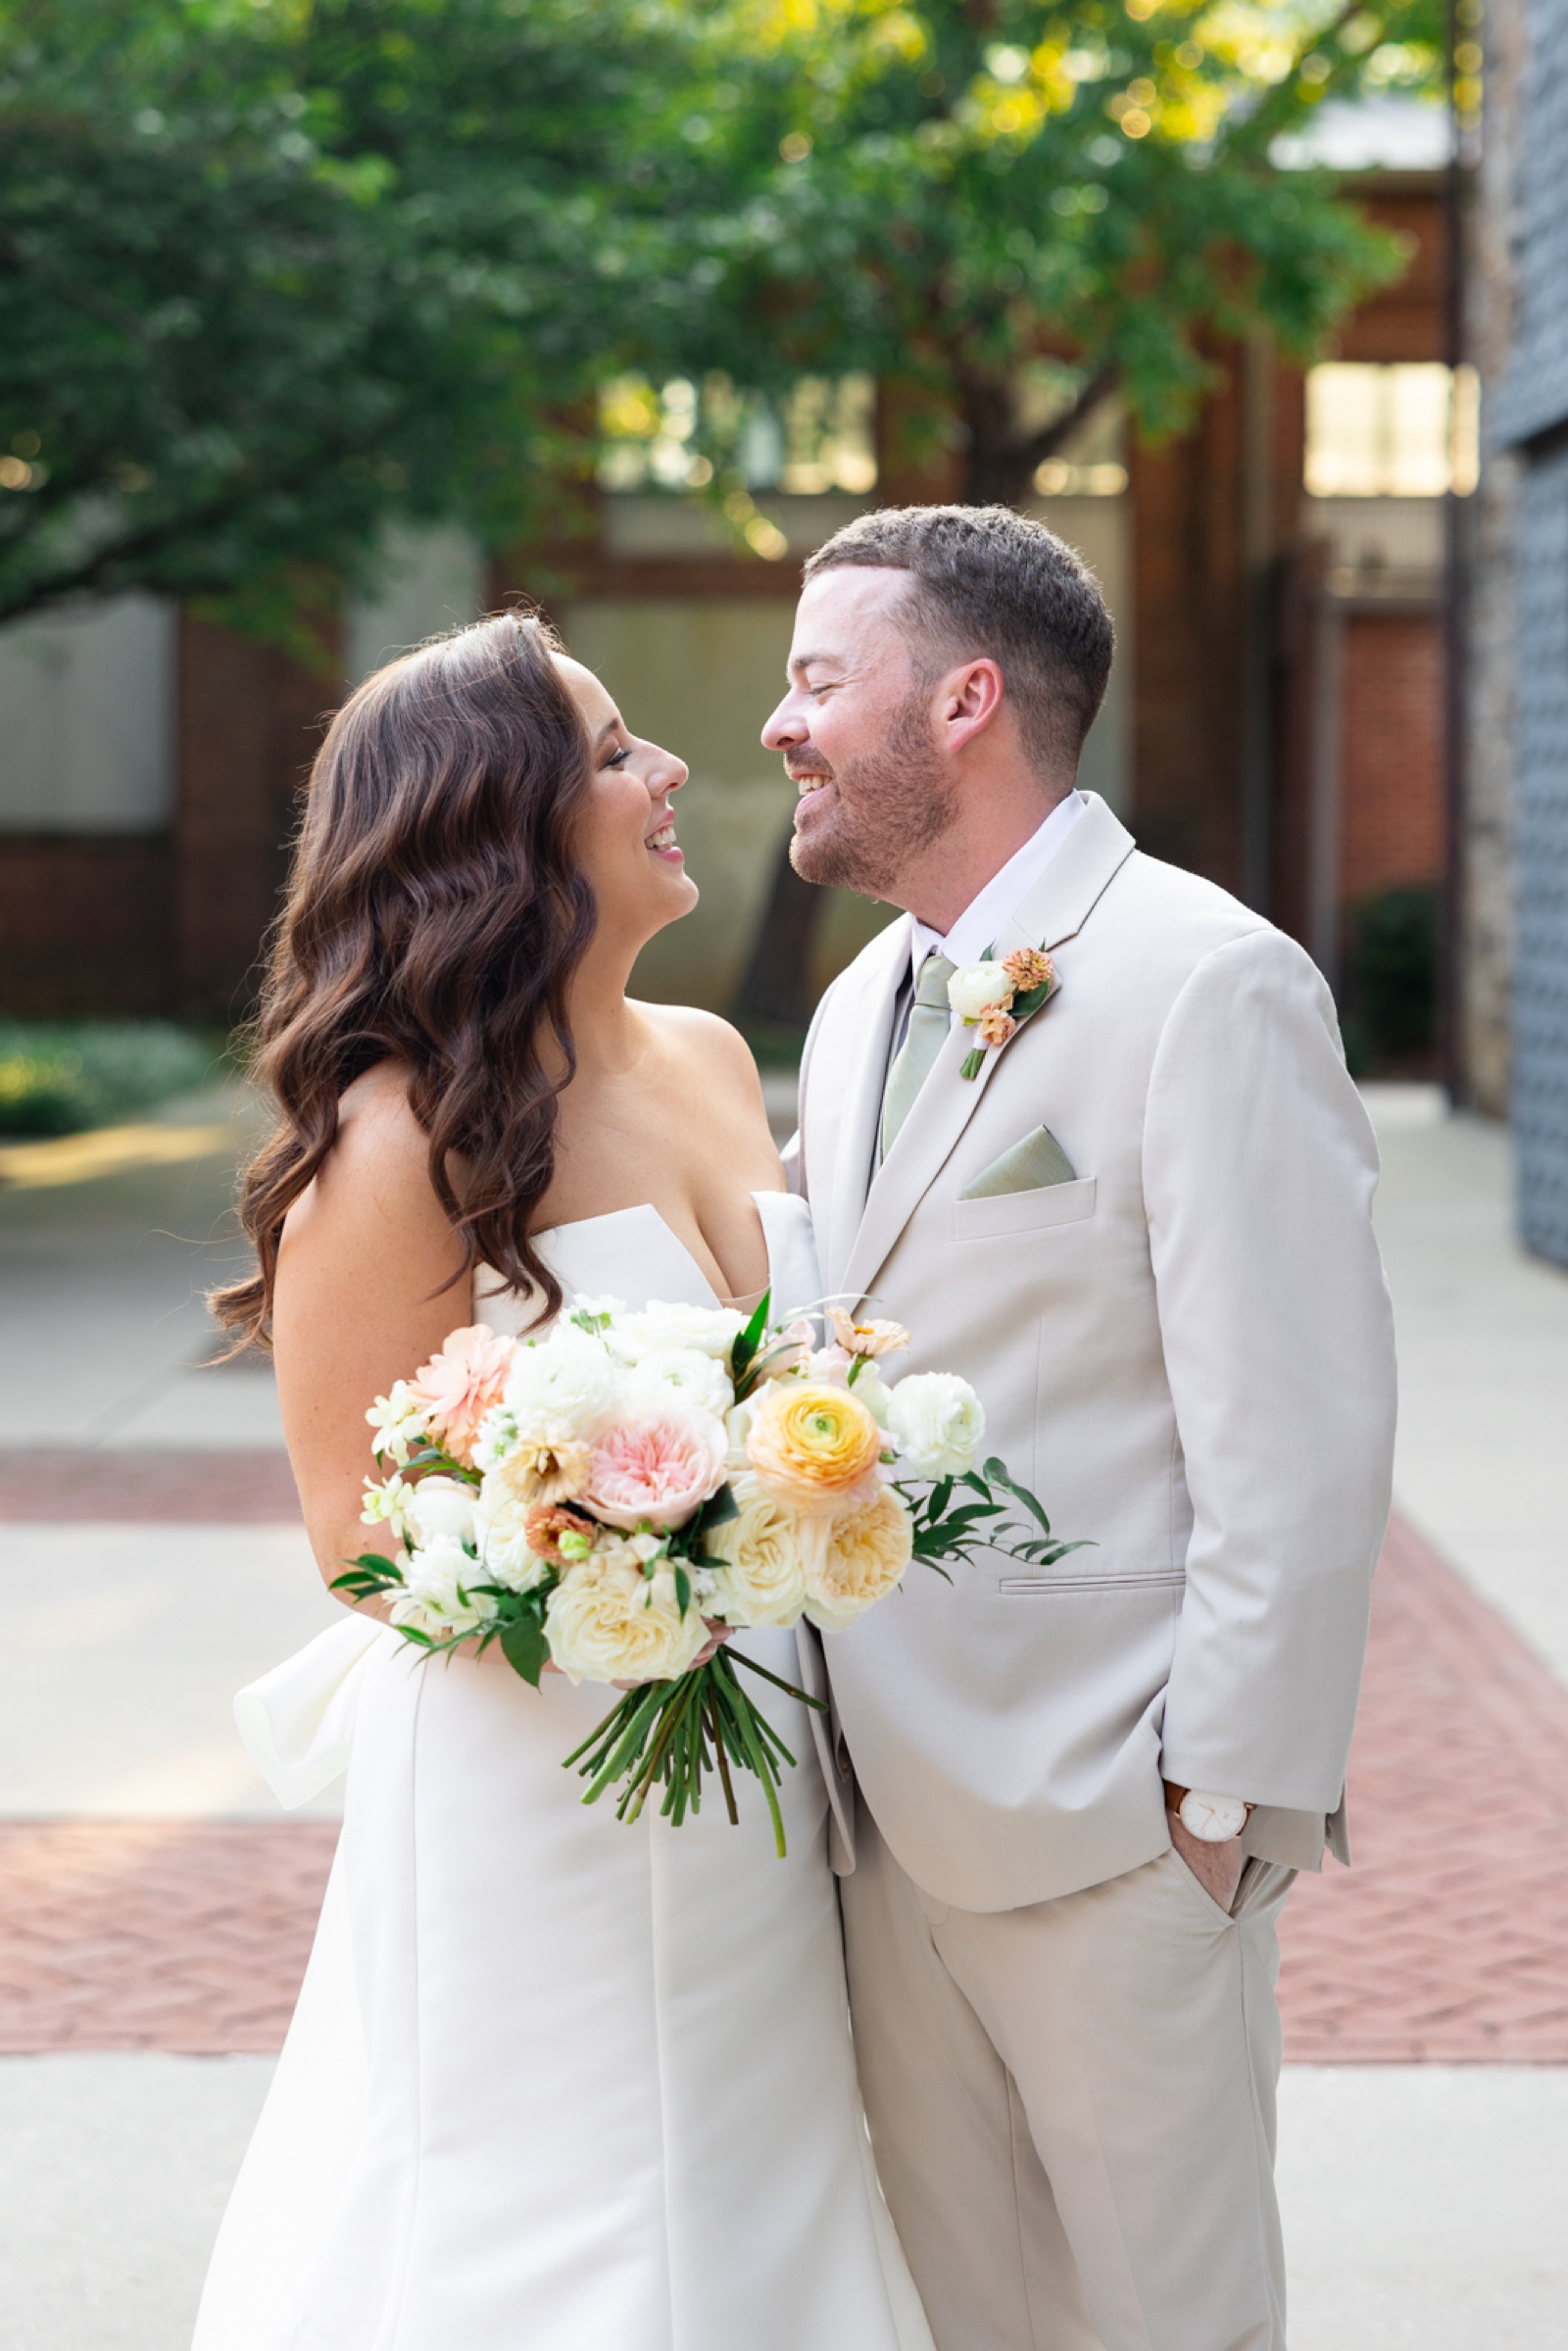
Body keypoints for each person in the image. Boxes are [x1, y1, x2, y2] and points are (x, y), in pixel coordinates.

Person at [193, 614, 933, 2351]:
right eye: (614, 753)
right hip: (549, 1781)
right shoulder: (396, 1140)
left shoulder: (712, 1059)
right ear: (497, 827)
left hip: (767, 1762)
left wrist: (789, 1501)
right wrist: (627, 1542)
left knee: (766, 2162)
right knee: (555, 2202)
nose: (672, 770)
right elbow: (355, 1539)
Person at [764, 505, 1397, 2351]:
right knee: (968, 2321)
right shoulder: (850, 1006)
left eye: (820, 680)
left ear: (964, 702)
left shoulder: (1208, 980)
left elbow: (1300, 1435)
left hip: (1117, 1827)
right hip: (875, 1827)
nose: (784, 727)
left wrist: (1218, 1806)